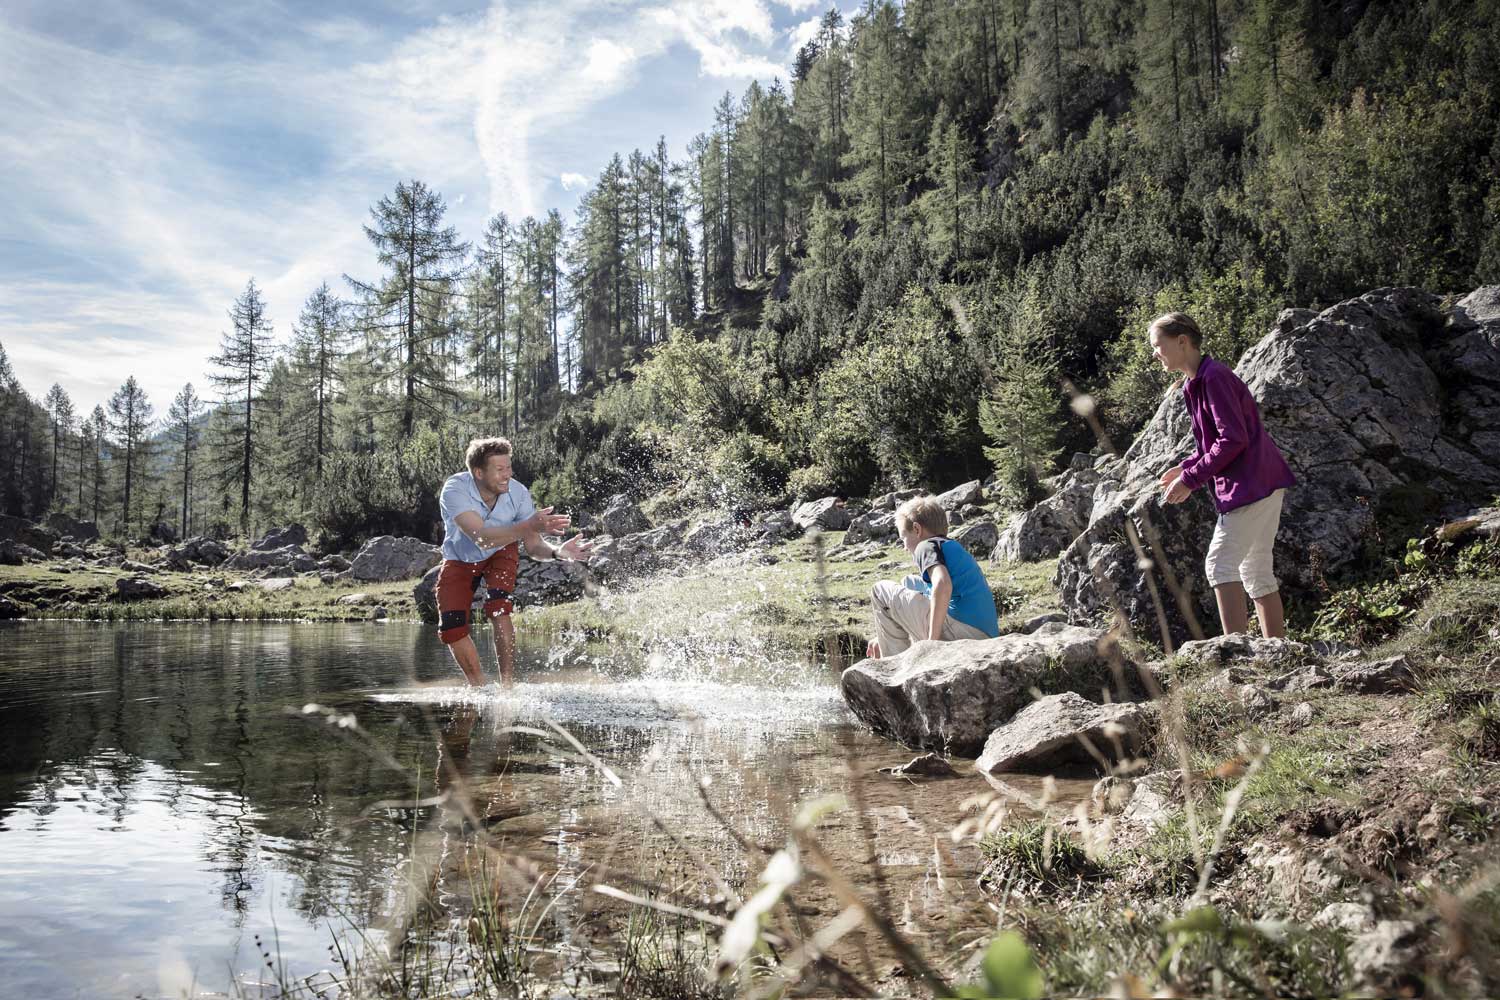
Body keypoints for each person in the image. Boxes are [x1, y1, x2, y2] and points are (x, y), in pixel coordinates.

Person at [1152, 312, 1296, 639]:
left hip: (1250, 485)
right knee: (1256, 572)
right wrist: (1186, 467)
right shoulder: (1198, 381)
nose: (1155, 353)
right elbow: (1217, 440)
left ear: (1182, 341)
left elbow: (1233, 439)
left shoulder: (1214, 378)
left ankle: (1238, 654)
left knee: (1219, 565)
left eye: (1158, 345)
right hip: (1262, 481)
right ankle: (1276, 650)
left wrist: (1190, 480)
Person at [437, 437, 592, 686]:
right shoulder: (455, 489)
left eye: (509, 467)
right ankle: (478, 687)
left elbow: (532, 546)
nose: (507, 474)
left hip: (502, 549)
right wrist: (528, 525)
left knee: (499, 606)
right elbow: (481, 538)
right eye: (499, 470)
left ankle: (507, 686)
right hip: (461, 556)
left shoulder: (518, 493)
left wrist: (556, 552)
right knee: (451, 627)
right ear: (478, 472)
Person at [865, 495, 1000, 658]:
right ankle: (897, 648)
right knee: (909, 582)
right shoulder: (948, 545)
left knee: (879, 591)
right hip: (983, 636)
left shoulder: (925, 546)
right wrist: (883, 636)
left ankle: (895, 668)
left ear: (916, 529)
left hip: (962, 634)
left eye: (903, 538)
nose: (904, 547)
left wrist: (932, 643)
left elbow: (943, 584)